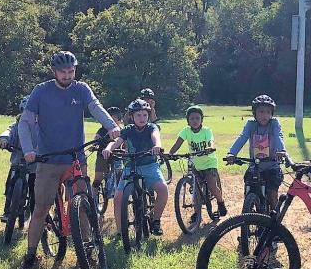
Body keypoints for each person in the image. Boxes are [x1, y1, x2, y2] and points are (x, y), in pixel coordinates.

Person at [18, 51, 121, 269]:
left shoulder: (81, 89)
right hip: (48, 159)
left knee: (82, 205)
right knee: (41, 208)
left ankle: (87, 251)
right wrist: (28, 149)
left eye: (71, 71)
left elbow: (95, 107)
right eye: (63, 72)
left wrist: (111, 125)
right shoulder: (41, 91)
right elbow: (25, 121)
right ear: (54, 72)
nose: (67, 75)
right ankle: (30, 255)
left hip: (76, 157)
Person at [102, 99, 168, 235]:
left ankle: (156, 221)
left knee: (163, 189)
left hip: (150, 165)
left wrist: (157, 145)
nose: (142, 118)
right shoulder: (127, 130)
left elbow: (156, 136)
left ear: (148, 116)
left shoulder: (151, 128)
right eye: (138, 115)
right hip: (130, 166)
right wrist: (109, 148)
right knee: (118, 197)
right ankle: (121, 231)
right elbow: (117, 141)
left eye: (145, 115)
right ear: (132, 117)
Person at [226, 95, 286, 211]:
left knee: (272, 193)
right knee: (248, 189)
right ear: (254, 113)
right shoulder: (250, 124)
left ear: (272, 113)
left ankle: (275, 221)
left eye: (268, 112)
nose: (265, 115)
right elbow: (242, 137)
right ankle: (249, 209)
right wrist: (232, 153)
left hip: (272, 166)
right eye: (261, 111)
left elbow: (278, 136)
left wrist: (282, 151)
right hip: (255, 166)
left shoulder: (274, 124)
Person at [169, 105, 227, 220]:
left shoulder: (206, 130)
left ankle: (221, 203)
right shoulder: (186, 131)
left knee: (211, 185)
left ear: (202, 120)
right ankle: (197, 212)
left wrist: (210, 147)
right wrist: (170, 153)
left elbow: (211, 141)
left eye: (197, 118)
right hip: (195, 163)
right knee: (195, 189)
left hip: (209, 163)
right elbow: (177, 144)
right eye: (192, 119)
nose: (195, 121)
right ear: (188, 121)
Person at [0, 95, 37, 222]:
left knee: (35, 189)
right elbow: (8, 131)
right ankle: (8, 212)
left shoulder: (40, 126)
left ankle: (35, 213)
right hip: (18, 161)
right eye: (25, 112)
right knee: (10, 185)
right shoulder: (16, 125)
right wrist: (3, 139)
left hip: (35, 165)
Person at [91, 106, 126, 199]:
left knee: (120, 172)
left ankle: (120, 193)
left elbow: (125, 142)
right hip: (103, 154)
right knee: (99, 177)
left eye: (115, 119)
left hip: (117, 154)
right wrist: (94, 145)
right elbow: (96, 139)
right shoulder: (102, 130)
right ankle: (93, 197)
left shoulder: (122, 130)